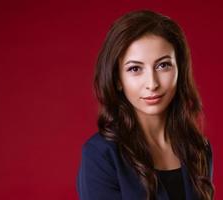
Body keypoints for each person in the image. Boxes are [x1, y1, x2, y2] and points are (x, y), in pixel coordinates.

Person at [76, 10, 214, 200]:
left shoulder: (197, 147)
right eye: (135, 69)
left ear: (179, 69)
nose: (152, 83)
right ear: (117, 79)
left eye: (163, 65)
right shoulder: (101, 154)